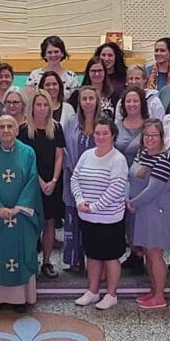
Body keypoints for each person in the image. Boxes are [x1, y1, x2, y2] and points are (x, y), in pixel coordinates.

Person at [0, 115, 44, 312]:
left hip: (21, 215)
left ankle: (19, 298)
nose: (6, 130)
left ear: (16, 130)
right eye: (2, 127)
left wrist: (18, 208)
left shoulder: (28, 152)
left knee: (20, 252)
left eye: (10, 126)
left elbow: (32, 182)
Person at [71, 116, 129, 310]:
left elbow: (116, 189)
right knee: (93, 255)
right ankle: (93, 291)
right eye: (98, 133)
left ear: (113, 135)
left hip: (109, 218)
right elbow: (75, 179)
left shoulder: (118, 159)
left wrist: (94, 206)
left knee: (111, 256)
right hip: (87, 217)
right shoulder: (87, 155)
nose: (101, 136)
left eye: (105, 133)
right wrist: (80, 200)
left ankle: (112, 294)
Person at [126, 119, 170, 309]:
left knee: (155, 253)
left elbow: (153, 189)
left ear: (161, 137)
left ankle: (160, 295)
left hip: (156, 210)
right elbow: (131, 176)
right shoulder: (142, 153)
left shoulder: (166, 158)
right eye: (146, 135)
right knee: (147, 251)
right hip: (141, 210)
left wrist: (132, 202)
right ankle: (153, 290)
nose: (149, 139)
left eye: (154, 135)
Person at [19, 91, 66, 280]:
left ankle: (46, 262)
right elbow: (23, 160)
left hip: (52, 182)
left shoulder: (56, 128)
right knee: (31, 223)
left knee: (49, 222)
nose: (41, 108)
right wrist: (39, 181)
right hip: (31, 181)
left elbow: (59, 156)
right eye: (38, 105)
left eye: (45, 105)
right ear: (32, 107)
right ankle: (30, 261)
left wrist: (53, 181)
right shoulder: (23, 130)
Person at [61, 86, 99, 271]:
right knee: (73, 218)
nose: (88, 102)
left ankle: (95, 260)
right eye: (84, 99)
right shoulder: (70, 121)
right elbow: (64, 148)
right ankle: (75, 260)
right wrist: (72, 168)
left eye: (91, 98)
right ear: (79, 101)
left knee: (93, 218)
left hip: (97, 181)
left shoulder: (103, 122)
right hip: (73, 176)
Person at [115, 87, 146, 165]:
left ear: (141, 103)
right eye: (128, 101)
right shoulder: (116, 126)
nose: (131, 104)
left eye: (135, 101)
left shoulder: (149, 126)